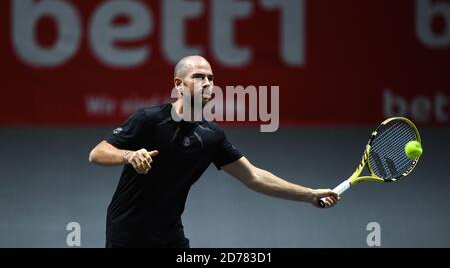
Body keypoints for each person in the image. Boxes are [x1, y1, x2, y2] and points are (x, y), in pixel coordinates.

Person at [89, 55, 339, 248]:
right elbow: (97, 153)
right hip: (127, 233)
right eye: (199, 77)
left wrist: (309, 194)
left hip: (169, 235)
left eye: (211, 78)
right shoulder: (148, 120)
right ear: (179, 84)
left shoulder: (211, 136)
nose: (207, 83)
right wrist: (129, 155)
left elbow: (253, 176)